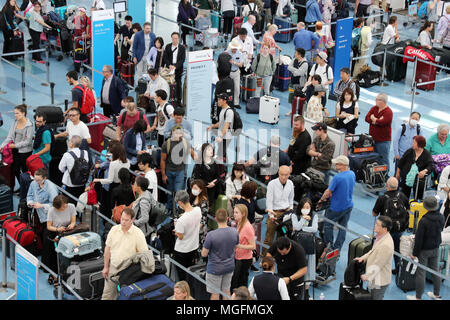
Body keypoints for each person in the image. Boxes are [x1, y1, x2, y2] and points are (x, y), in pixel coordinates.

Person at [102, 208, 149, 300]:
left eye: (126, 220)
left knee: (127, 296)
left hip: (128, 271)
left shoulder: (138, 234)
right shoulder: (114, 229)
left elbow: (144, 254)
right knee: (107, 295)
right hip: (113, 268)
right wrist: (106, 267)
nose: (123, 222)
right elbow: (107, 249)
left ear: (132, 220)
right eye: (122, 219)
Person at [407, 196, 445, 300]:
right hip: (436, 248)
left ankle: (418, 297)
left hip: (424, 250)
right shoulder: (441, 217)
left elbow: (419, 240)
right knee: (435, 270)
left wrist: (414, 253)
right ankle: (437, 294)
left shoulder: (423, 221)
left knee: (421, 273)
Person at [372, 177, 410, 273]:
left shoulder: (382, 198)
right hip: (399, 228)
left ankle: (379, 268)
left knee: (381, 248)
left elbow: (374, 213)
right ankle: (398, 268)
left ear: (387, 186)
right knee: (397, 249)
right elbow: (408, 208)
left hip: (386, 229)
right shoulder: (402, 195)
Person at [319, 155, 356, 252]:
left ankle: (329, 247)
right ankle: (337, 248)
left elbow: (328, 192)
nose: (335, 165)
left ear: (343, 165)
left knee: (328, 225)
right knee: (343, 227)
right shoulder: (352, 174)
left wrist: (321, 200)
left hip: (336, 208)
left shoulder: (337, 177)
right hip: (348, 205)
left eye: (337, 163)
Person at [201, 208, 239, 300]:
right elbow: (236, 246)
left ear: (215, 218)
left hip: (215, 269)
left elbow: (204, 254)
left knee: (215, 294)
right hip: (229, 266)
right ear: (227, 218)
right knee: (226, 291)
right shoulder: (234, 231)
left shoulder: (211, 235)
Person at [354, 216, 395, 300]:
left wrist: (367, 276)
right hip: (373, 277)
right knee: (370, 296)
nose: (374, 226)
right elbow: (372, 251)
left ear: (385, 229)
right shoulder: (380, 237)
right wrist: (363, 258)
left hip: (379, 280)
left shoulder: (386, 245)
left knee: (375, 298)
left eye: (377, 225)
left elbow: (379, 264)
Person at [44, 195, 77, 285]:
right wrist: (58, 229)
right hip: (55, 233)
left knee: (66, 256)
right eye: (63, 206)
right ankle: (54, 274)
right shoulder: (52, 210)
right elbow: (49, 226)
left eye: (65, 205)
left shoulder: (71, 206)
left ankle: (64, 274)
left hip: (67, 233)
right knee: (55, 256)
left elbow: (73, 221)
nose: (65, 207)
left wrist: (72, 225)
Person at [262, 166, 295, 257]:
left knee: (281, 238)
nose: (284, 177)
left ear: (289, 174)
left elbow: (291, 199)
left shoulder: (291, 183)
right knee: (269, 238)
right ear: (278, 173)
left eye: (286, 175)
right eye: (282, 175)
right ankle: (264, 257)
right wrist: (271, 216)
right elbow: (269, 201)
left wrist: (290, 212)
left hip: (286, 213)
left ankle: (277, 256)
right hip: (274, 213)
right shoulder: (272, 184)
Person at [161, 127, 195, 211]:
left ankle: (177, 210)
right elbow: (163, 160)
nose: (178, 135)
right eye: (176, 133)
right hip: (169, 171)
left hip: (180, 172)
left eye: (180, 133)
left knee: (178, 193)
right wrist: (163, 175)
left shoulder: (186, 143)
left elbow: (193, 155)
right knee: (169, 193)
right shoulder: (167, 144)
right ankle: (169, 209)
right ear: (172, 133)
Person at [291, 197, 318, 300]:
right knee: (298, 267)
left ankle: (306, 292)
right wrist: (303, 219)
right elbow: (296, 227)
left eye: (308, 207)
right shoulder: (295, 215)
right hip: (298, 246)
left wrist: (302, 228)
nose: (306, 209)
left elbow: (314, 229)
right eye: (304, 207)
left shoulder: (314, 215)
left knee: (309, 268)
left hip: (309, 245)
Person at [0, 104, 34, 186]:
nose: (15, 115)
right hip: (15, 150)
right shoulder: (15, 122)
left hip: (25, 152)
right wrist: (2, 145)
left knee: (25, 171)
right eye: (14, 113)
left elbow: (28, 141)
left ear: (23, 113)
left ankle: (27, 188)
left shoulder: (29, 125)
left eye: (17, 113)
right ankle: (22, 185)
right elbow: (10, 137)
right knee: (15, 170)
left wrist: (15, 145)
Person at [174, 190, 202, 281]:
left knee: (182, 276)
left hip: (182, 250)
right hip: (193, 247)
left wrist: (176, 230)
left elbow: (180, 237)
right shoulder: (198, 210)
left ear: (180, 203)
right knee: (190, 272)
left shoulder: (181, 221)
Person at [396, 135, 434, 199]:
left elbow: (431, 166)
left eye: (414, 143)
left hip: (419, 180)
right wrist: (398, 174)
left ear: (420, 144)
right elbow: (401, 163)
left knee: (418, 197)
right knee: (404, 196)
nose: (412, 144)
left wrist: (424, 171)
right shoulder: (410, 151)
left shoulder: (426, 154)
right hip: (406, 178)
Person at [230, 204, 256, 291]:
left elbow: (253, 246)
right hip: (238, 256)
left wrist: (239, 245)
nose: (234, 214)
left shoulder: (247, 227)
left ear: (243, 214)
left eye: (237, 212)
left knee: (239, 282)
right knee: (236, 282)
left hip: (244, 259)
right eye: (234, 212)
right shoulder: (239, 223)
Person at [365, 93, 393, 170]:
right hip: (372, 139)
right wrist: (377, 120)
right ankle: (374, 176)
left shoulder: (388, 112)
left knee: (383, 159)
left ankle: (385, 176)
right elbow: (367, 118)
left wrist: (373, 118)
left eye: (377, 99)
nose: (375, 101)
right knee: (373, 158)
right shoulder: (374, 108)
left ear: (383, 101)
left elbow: (382, 122)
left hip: (383, 141)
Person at [58, 135, 90, 205]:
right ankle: (78, 215)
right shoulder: (85, 153)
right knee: (79, 202)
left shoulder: (67, 155)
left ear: (71, 143)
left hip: (70, 183)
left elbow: (61, 168)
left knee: (68, 203)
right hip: (82, 182)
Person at [206, 93, 234, 162]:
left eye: (219, 100)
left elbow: (226, 126)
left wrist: (221, 137)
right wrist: (212, 126)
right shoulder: (222, 110)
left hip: (226, 137)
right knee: (223, 154)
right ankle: (226, 168)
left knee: (220, 155)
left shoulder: (229, 111)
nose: (218, 101)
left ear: (224, 101)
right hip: (221, 136)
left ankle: (223, 169)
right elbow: (220, 123)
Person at [162, 32, 186, 105]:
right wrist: (169, 65)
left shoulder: (182, 48)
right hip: (169, 68)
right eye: (173, 38)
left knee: (178, 85)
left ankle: (179, 101)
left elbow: (182, 59)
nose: (174, 40)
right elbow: (165, 58)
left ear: (178, 39)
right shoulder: (168, 46)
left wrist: (175, 66)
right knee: (168, 84)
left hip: (178, 69)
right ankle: (169, 99)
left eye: (176, 38)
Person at [131, 176, 152, 241]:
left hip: (142, 232)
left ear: (139, 187)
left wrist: (134, 222)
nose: (133, 185)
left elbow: (145, 218)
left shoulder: (144, 201)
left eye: (134, 184)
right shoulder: (147, 193)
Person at [226, 39, 244, 109]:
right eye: (233, 48)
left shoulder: (240, 54)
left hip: (236, 72)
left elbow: (241, 65)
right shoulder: (227, 52)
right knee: (228, 88)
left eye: (235, 48)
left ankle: (236, 103)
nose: (234, 50)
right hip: (229, 72)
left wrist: (234, 62)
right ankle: (227, 102)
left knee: (237, 88)